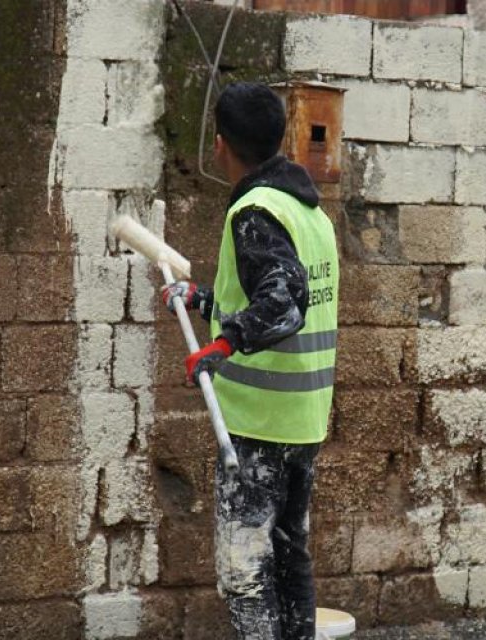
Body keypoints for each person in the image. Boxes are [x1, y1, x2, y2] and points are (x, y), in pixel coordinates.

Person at [161, 82, 339, 639]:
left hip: (258, 426)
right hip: (302, 419)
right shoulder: (308, 212)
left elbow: (285, 303)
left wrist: (220, 345)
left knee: (246, 573)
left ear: (220, 145)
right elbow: (266, 296)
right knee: (290, 561)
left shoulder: (253, 211)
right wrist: (206, 303)